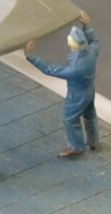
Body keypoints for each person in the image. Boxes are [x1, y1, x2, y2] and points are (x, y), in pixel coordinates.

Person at [24, 10, 100, 158]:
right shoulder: (91, 53)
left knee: (69, 119)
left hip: (77, 94)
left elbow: (49, 69)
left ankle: (76, 147)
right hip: (90, 89)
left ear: (70, 43)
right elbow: (95, 41)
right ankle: (94, 142)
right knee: (90, 115)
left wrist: (31, 56)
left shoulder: (75, 68)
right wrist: (87, 26)